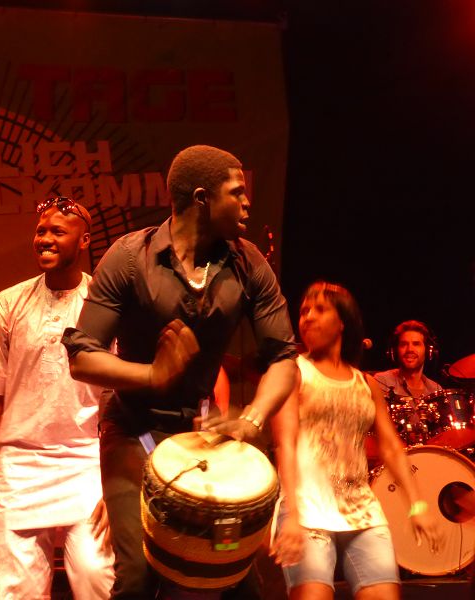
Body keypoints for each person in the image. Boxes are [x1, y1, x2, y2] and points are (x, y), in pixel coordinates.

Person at [62, 145, 299, 598]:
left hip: (200, 432)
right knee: (138, 575)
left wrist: (252, 420)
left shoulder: (249, 263)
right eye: (237, 192)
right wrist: (153, 375)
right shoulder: (130, 257)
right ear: (202, 198)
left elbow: (284, 359)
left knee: (236, 579)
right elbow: (82, 357)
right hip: (133, 430)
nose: (248, 203)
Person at [0, 197, 114, 599]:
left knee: (97, 576)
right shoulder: (8, 304)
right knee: (18, 592)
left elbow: (126, 396)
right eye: (40, 231)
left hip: (88, 462)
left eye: (57, 232)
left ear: (84, 241)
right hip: (19, 466)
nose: (45, 239)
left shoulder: (106, 303)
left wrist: (120, 480)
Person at [269, 282, 442, 600]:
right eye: (304, 311)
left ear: (342, 322)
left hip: (362, 511)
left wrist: (417, 504)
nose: (308, 317)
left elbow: (391, 446)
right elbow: (285, 443)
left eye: (320, 309)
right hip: (306, 510)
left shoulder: (367, 384)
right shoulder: (293, 372)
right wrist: (291, 514)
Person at [373, 320, 442, 398]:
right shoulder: (382, 381)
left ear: (427, 350)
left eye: (416, 344)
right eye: (403, 344)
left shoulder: (435, 390)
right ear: (395, 351)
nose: (410, 349)